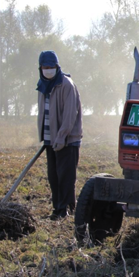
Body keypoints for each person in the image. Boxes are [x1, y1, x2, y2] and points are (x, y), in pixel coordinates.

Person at [36, 51, 83, 220]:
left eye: (51, 67)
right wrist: (45, 136)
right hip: (51, 140)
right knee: (53, 177)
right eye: (45, 67)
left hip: (67, 140)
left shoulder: (66, 85)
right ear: (40, 68)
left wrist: (62, 136)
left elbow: (70, 114)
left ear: (57, 67)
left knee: (66, 177)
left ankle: (66, 210)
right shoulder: (42, 86)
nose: (48, 70)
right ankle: (58, 208)